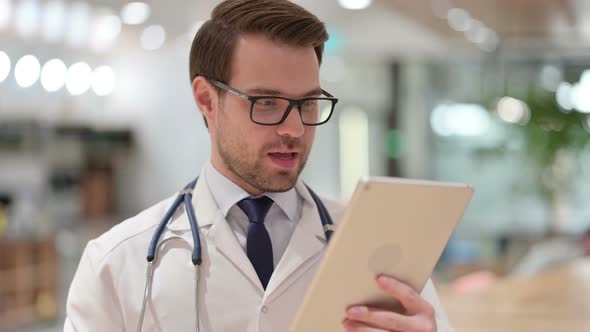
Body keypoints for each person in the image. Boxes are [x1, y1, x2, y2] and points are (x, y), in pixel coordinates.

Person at [64, 1, 454, 331]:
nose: (295, 128)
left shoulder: (377, 247)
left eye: (308, 103)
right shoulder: (116, 263)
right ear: (206, 100)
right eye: (266, 102)